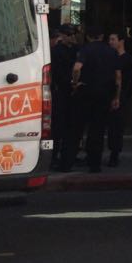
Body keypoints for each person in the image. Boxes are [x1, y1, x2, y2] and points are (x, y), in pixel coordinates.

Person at [67, 26, 120, 174]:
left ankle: (68, 162)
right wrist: (116, 96)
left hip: (85, 91)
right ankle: (94, 164)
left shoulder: (85, 50)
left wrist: (75, 83)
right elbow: (118, 77)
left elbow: (77, 68)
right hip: (104, 93)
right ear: (102, 36)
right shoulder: (111, 52)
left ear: (88, 37)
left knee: (77, 128)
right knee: (97, 129)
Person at [106, 32, 132, 167]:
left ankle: (114, 154)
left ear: (121, 41)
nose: (111, 42)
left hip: (121, 97)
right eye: (109, 39)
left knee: (116, 127)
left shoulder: (128, 60)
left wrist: (123, 96)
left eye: (113, 39)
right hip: (112, 96)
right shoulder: (111, 58)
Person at [48, 23, 79, 169]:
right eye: (69, 34)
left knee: (69, 126)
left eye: (73, 34)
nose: (72, 37)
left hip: (70, 91)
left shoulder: (76, 50)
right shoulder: (57, 51)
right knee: (58, 127)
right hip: (61, 91)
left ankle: (66, 156)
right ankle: (55, 156)